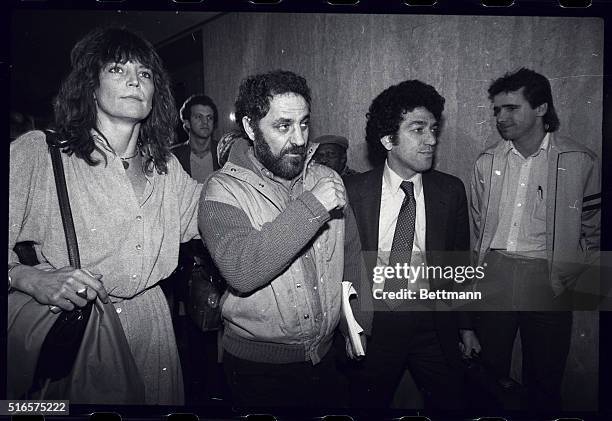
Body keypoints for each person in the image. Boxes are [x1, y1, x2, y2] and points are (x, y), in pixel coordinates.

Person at [8, 27, 203, 405]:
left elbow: (214, 216)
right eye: (117, 69)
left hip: (155, 334)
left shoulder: (166, 169)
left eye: (145, 73)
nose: (134, 80)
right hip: (81, 332)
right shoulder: (42, 155)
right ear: (90, 86)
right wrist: (29, 278)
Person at [199, 69, 364, 408]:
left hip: (327, 357)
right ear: (249, 127)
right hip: (259, 371)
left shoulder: (326, 177)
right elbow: (242, 270)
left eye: (304, 124)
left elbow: (351, 256)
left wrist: (357, 328)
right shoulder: (222, 189)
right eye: (283, 126)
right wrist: (313, 205)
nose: (300, 139)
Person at [343, 79, 479, 409]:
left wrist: (466, 327)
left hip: (433, 325)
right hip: (376, 325)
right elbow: (342, 268)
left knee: (451, 405)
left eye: (433, 129)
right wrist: (350, 327)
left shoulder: (450, 191)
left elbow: (458, 265)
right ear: (388, 139)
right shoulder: (354, 193)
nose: (431, 140)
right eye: (418, 129)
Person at [470, 68, 600, 410]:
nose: (501, 117)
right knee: (487, 374)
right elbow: (477, 227)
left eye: (511, 107)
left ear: (541, 108)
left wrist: (573, 278)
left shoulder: (579, 161)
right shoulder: (487, 161)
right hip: (495, 275)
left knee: (544, 378)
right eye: (497, 109)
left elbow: (594, 229)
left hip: (548, 277)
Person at [174, 94, 220, 182]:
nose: (205, 122)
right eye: (199, 117)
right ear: (187, 123)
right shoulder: (174, 157)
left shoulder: (225, 155)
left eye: (209, 117)